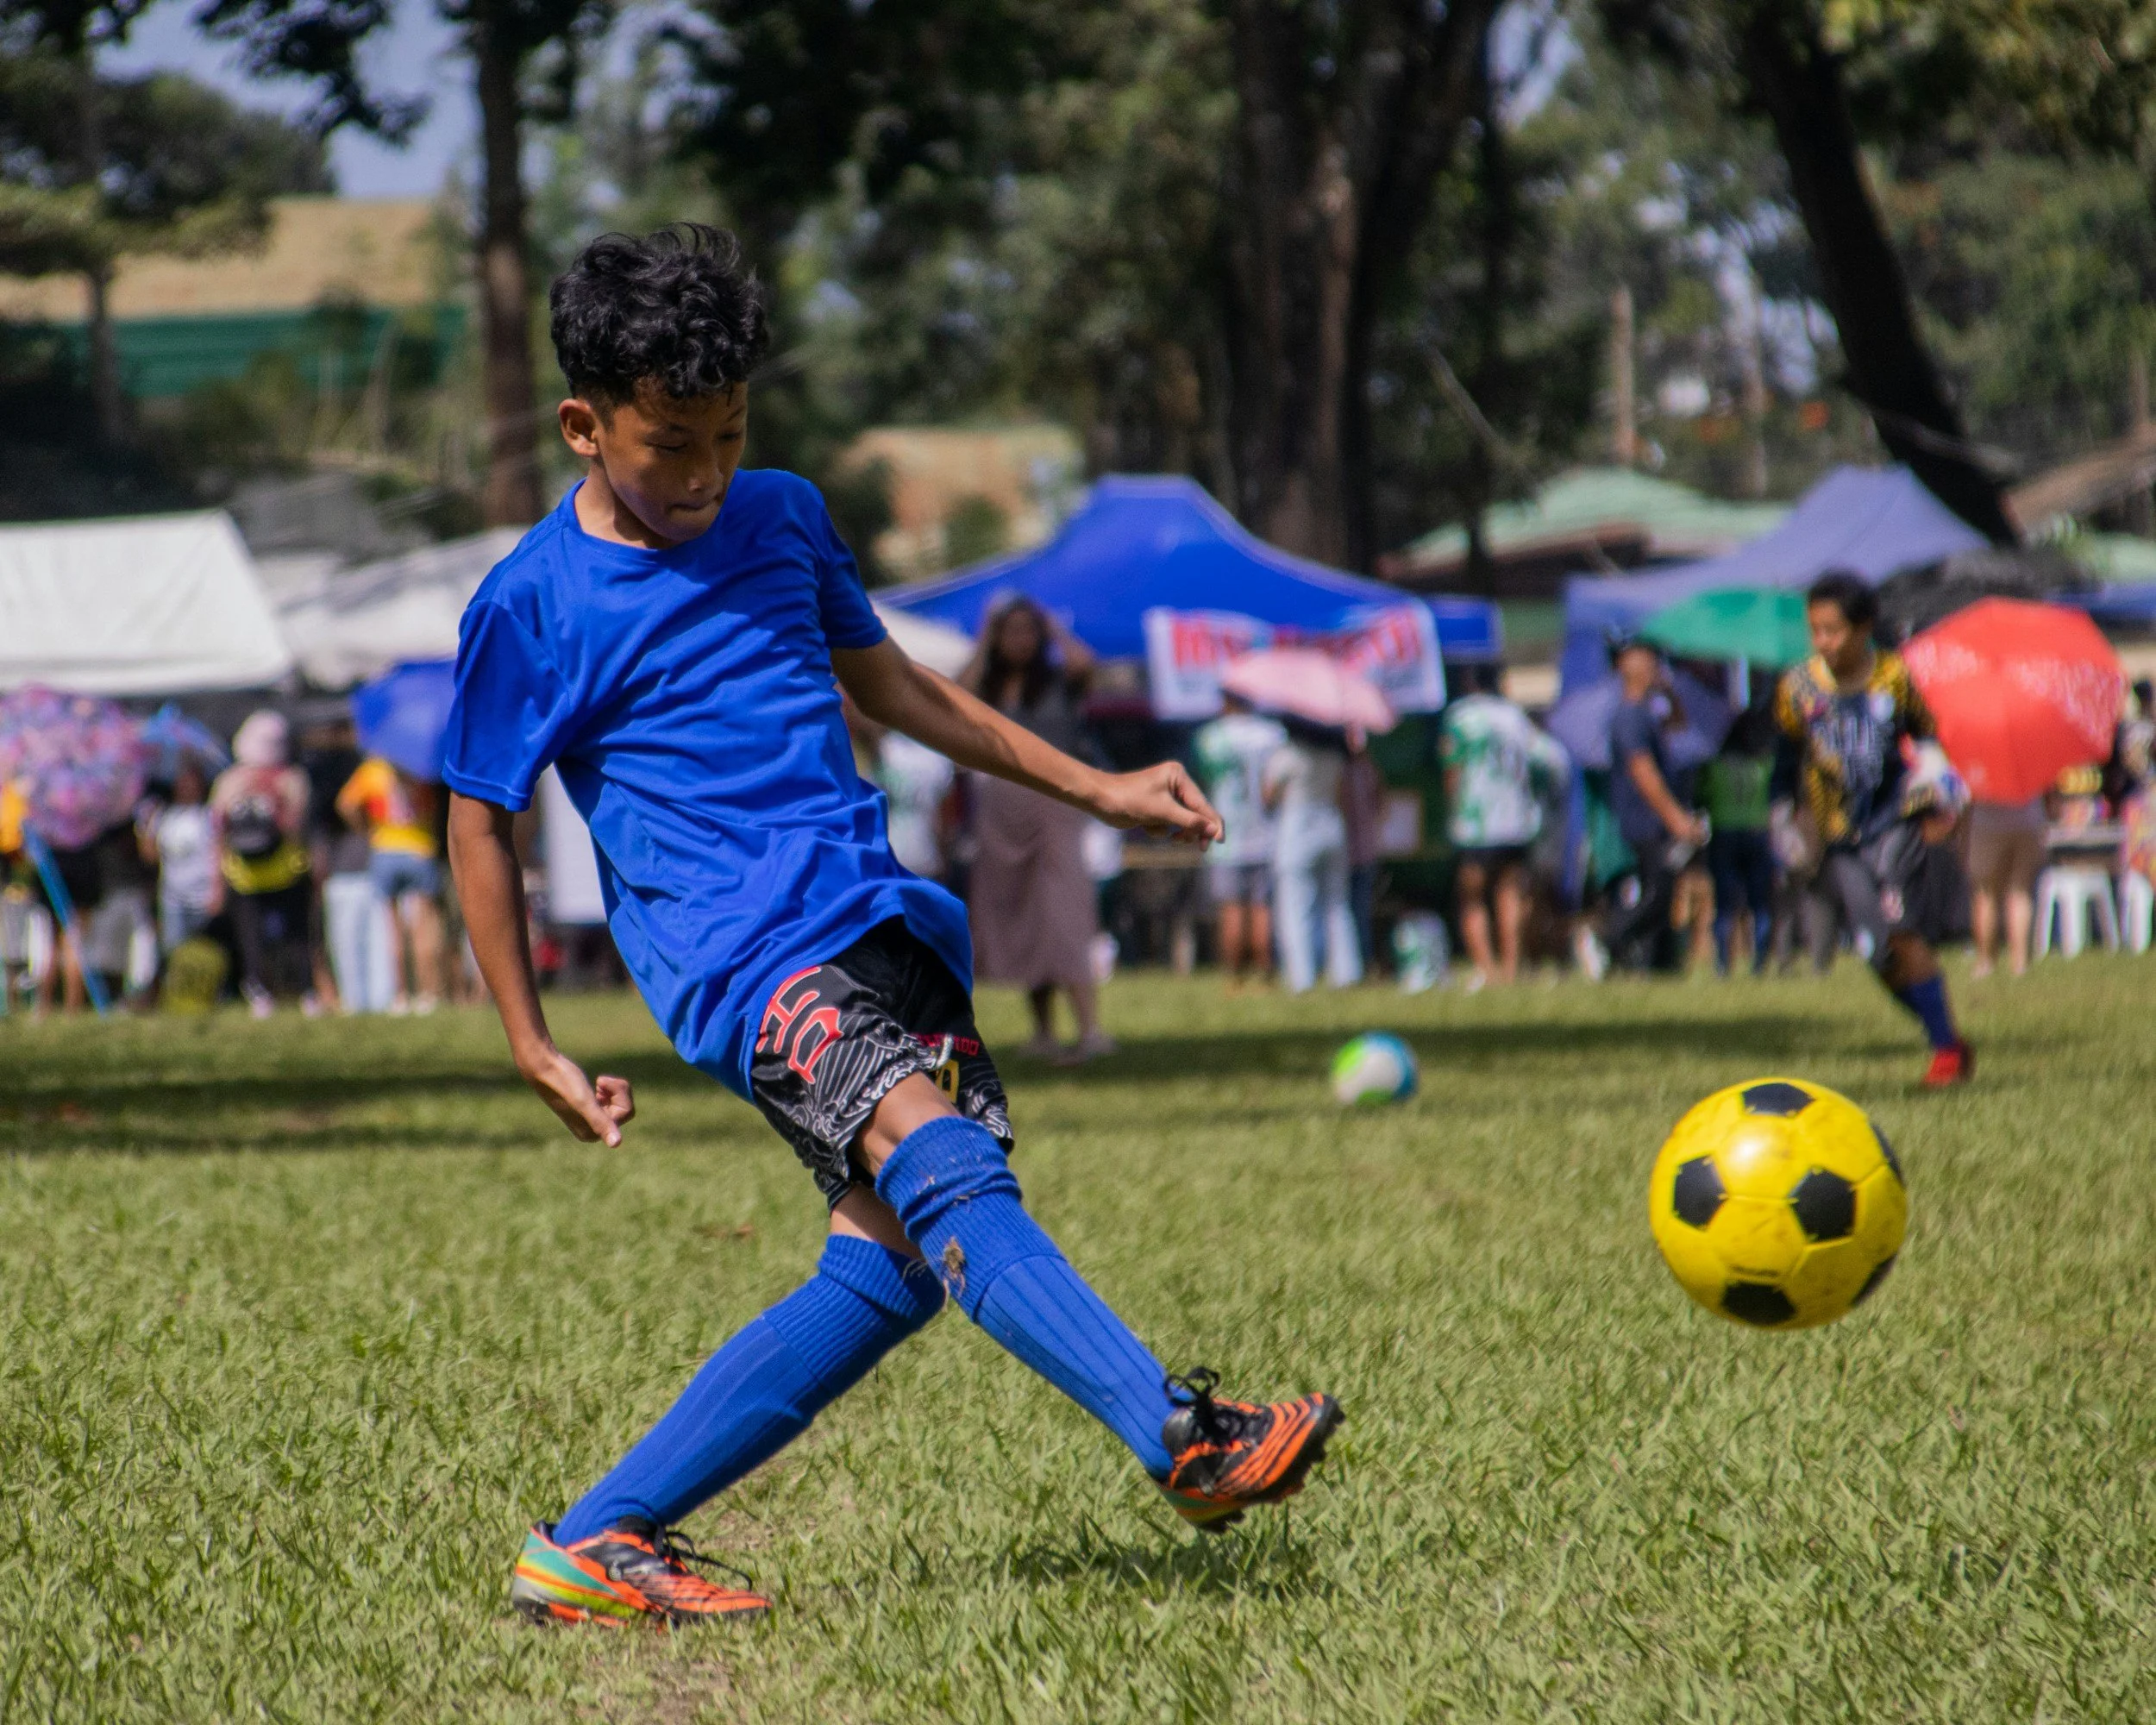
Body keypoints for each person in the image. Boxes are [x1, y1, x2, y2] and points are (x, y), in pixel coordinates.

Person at [442, 225, 1340, 1629]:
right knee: (944, 1161)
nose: (704, 475)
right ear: (584, 425)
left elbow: (904, 693)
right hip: (745, 962)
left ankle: (598, 1541)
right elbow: (476, 820)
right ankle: (1185, 1439)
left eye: (728, 436)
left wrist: (1098, 787)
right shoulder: (531, 606)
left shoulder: (786, 517)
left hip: (877, 921)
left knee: (898, 1264)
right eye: (671, 444)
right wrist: (529, 1041)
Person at [1773, 570, 1971, 1085]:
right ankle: (1943, 1032)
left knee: (1901, 932)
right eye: (1815, 630)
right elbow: (1783, 754)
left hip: (1893, 822)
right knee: (1878, 955)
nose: (1823, 642)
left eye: (1833, 630)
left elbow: (1925, 736)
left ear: (1864, 628)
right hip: (1839, 837)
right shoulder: (1797, 688)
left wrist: (1941, 791)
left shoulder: (1892, 675)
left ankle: (1945, 1050)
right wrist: (1781, 816)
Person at [961, 595, 1112, 1061]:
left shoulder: (1060, 682)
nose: (1020, 640)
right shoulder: (988, 685)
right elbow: (954, 692)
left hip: (1054, 811)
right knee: (1024, 916)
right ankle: (1043, 1030)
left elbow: (1087, 664)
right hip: (1001, 817)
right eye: (1013, 631)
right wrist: (985, 637)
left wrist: (1052, 624)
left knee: (1064, 912)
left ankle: (1089, 1029)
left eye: (1029, 631)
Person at [1438, 667, 1567, 988]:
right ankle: (1511, 970)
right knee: (1510, 894)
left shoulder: (1461, 716)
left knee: (1471, 898)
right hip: (1516, 820)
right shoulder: (1514, 717)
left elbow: (1452, 768)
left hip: (1476, 821)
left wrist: (1452, 808)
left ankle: (1488, 969)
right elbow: (1549, 759)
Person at [1602, 637, 1707, 972]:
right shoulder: (1629, 717)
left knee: (1664, 894)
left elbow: (1679, 726)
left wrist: (1669, 692)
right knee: (1657, 893)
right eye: (1645, 657)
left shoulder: (1647, 712)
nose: (1652, 664)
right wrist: (1675, 817)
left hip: (1655, 821)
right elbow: (1643, 772)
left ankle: (1659, 966)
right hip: (1645, 821)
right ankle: (1606, 940)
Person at [212, 711, 318, 1018]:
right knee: (298, 937)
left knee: (251, 938)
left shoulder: (229, 781)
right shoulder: (292, 779)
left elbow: (218, 830)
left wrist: (216, 879)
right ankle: (305, 993)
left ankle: (260, 994)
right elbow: (296, 826)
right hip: (287, 870)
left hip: (243, 874)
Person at [337, 756, 446, 1014]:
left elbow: (346, 804)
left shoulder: (373, 770)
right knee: (424, 926)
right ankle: (428, 994)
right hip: (420, 848)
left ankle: (400, 995)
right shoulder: (424, 768)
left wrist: (367, 829)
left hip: (385, 848)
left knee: (393, 930)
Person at [1191, 692, 1286, 986]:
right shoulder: (1273, 734)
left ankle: (1234, 978)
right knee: (1262, 908)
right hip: (1266, 834)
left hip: (1225, 835)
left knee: (1231, 908)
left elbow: (1205, 777)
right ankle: (1265, 975)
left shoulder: (1211, 737)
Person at [1263, 719, 1362, 993]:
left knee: (1295, 907)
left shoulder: (1287, 755)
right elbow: (1341, 796)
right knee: (1338, 904)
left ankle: (1301, 977)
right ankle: (1346, 972)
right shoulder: (1334, 756)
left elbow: (1268, 797)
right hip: (1331, 826)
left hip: (1298, 827)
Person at [1699, 706, 1778, 975]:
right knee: (1759, 902)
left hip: (1724, 834)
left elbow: (1702, 796)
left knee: (1724, 902)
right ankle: (1759, 963)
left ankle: (1722, 963)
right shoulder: (1763, 764)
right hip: (1756, 834)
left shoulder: (1716, 766)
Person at [143, 759, 223, 956]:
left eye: (192, 782)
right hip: (173, 897)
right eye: (182, 782)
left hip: (202, 896)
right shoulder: (164, 816)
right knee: (174, 950)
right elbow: (150, 857)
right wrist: (147, 826)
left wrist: (218, 890)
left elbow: (219, 852)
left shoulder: (208, 814)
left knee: (205, 949)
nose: (186, 787)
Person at [1965, 794, 2045, 979]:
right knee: (2021, 894)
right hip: (2029, 821)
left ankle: (1986, 962)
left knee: (1986, 895)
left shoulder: (1985, 765)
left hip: (1987, 823)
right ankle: (2020, 964)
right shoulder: (2031, 764)